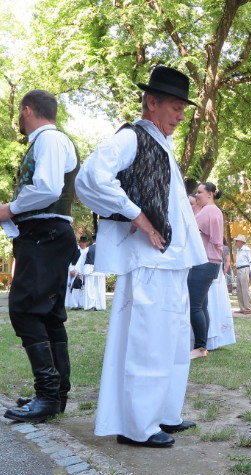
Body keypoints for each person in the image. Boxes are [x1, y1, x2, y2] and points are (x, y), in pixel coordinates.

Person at [75, 65, 207, 448]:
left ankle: (164, 414)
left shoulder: (161, 143)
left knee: (173, 340)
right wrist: (135, 214)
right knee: (149, 342)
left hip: (172, 260)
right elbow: (91, 178)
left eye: (185, 108)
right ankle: (137, 426)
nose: (182, 115)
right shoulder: (131, 138)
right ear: (152, 102)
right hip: (149, 261)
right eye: (176, 106)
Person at [0, 89, 80, 423]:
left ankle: (48, 394)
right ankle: (55, 394)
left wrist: (9, 209)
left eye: (19, 111)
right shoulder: (48, 142)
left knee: (26, 309)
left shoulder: (49, 140)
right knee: (48, 314)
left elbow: (46, 188)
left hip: (46, 234)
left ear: (27, 110)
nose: (18, 118)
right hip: (45, 235)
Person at [189, 182, 224, 360]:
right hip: (210, 263)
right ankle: (202, 346)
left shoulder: (208, 211)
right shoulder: (213, 211)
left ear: (210, 194)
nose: (197, 196)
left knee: (195, 306)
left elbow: (188, 230)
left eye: (200, 192)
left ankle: (200, 347)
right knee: (201, 305)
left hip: (204, 263)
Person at [82, 236, 107, 311]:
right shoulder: (104, 250)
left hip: (89, 270)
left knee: (90, 289)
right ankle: (100, 306)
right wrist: (107, 273)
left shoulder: (87, 249)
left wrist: (79, 271)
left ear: (93, 240)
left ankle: (91, 305)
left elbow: (81, 260)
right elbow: (106, 262)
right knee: (100, 289)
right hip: (100, 271)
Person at [66, 236, 89, 310]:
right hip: (74, 270)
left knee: (82, 288)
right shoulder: (75, 250)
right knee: (74, 288)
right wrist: (71, 270)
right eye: (82, 242)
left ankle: (81, 304)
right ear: (80, 242)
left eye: (85, 242)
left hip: (83, 271)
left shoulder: (87, 250)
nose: (84, 244)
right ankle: (74, 305)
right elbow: (69, 260)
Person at [233, 234, 251, 314]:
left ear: (241, 242)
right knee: (239, 290)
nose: (235, 242)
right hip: (239, 270)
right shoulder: (238, 250)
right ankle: (242, 308)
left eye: (237, 241)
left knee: (245, 289)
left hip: (245, 269)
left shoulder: (247, 249)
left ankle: (248, 308)